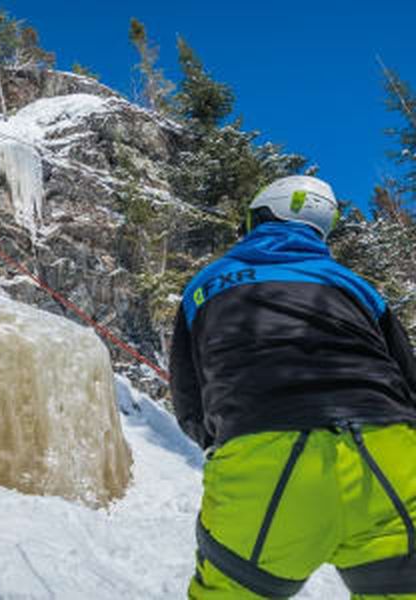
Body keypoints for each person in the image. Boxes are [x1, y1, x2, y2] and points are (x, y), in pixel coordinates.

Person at [170, 175, 416, 599]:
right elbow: (407, 377)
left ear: (259, 218)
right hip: (391, 453)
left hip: (266, 455)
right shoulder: (357, 287)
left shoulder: (205, 286)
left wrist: (218, 441)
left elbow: (189, 397)